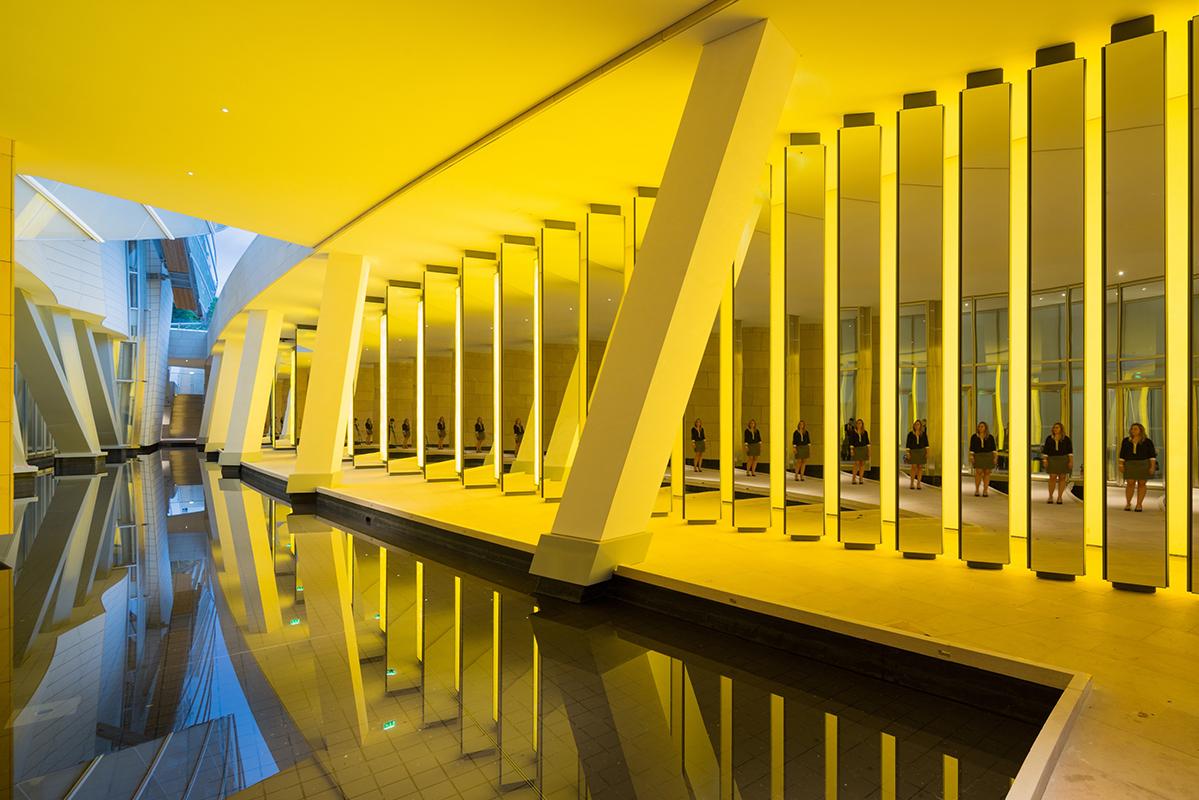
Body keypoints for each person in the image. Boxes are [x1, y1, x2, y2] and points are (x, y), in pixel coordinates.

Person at [1118, 422, 1156, 512]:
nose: (1133, 430)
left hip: (1143, 464)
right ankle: (1128, 503)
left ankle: (1139, 504)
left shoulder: (1147, 441)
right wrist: (1120, 464)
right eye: (1132, 429)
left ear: (1140, 430)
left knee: (1142, 483)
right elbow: (1122, 454)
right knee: (1130, 482)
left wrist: (1152, 467)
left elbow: (1152, 456)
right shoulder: (1126, 440)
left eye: (1135, 429)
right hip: (1130, 464)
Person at [1041, 422, 1073, 505]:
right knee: (1052, 477)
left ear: (1061, 429)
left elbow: (1070, 452)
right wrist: (1045, 460)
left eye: (1057, 427)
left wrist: (1070, 461)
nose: (1055, 429)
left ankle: (1060, 497)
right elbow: (1045, 451)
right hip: (1052, 459)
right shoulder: (1049, 438)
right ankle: (1050, 496)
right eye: (1054, 427)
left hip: (1063, 459)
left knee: (1062, 477)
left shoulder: (1066, 439)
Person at [969, 421, 997, 497]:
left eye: (982, 426)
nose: (980, 428)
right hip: (978, 455)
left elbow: (994, 449)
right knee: (979, 471)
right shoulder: (974, 437)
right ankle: (977, 489)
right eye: (979, 426)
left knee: (987, 472)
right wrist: (971, 456)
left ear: (985, 428)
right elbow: (972, 448)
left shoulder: (990, 437)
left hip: (988, 455)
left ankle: (985, 490)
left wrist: (995, 458)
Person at [905, 419, 929, 490]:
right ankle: (912, 483)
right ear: (914, 426)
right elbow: (908, 445)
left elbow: (926, 445)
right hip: (913, 451)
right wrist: (908, 453)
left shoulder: (923, 434)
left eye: (918, 424)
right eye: (916, 424)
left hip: (921, 451)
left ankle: (918, 483)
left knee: (920, 467)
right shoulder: (910, 434)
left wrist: (927, 453)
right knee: (913, 466)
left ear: (920, 426)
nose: (917, 426)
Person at [849, 418, 870, 485]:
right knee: (856, 463)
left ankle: (861, 478)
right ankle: (854, 478)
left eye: (860, 423)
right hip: (856, 449)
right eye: (858, 423)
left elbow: (867, 442)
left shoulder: (865, 432)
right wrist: (852, 450)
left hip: (863, 449)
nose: (859, 424)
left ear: (862, 424)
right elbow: (851, 442)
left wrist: (869, 451)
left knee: (862, 464)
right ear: (856, 424)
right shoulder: (853, 432)